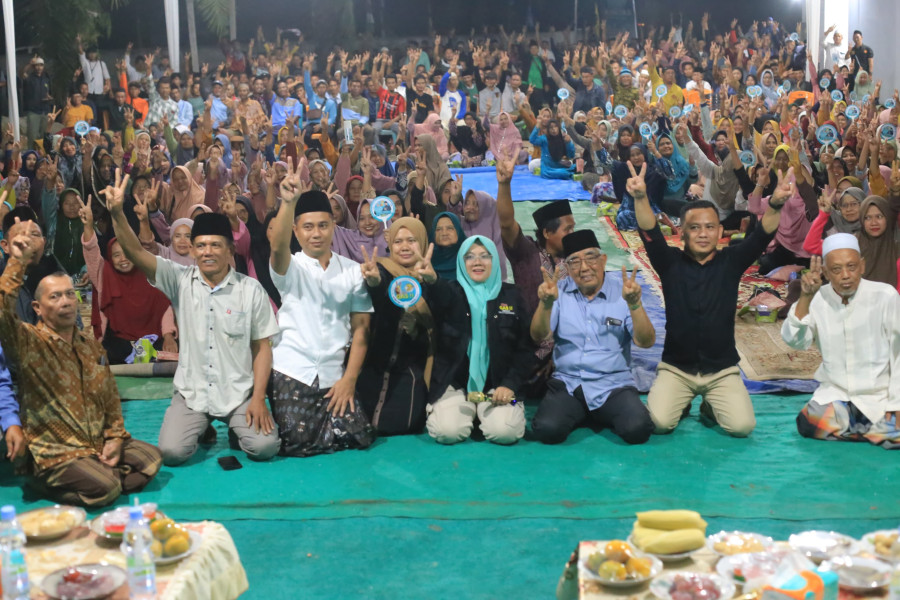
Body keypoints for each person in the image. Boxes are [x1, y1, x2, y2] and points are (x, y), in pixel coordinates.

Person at [104, 169, 281, 466]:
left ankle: (235, 425)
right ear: (194, 250)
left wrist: (258, 399)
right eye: (201, 245)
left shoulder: (250, 290)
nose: (207, 252)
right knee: (172, 453)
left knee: (265, 447)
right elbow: (134, 252)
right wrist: (117, 214)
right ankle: (202, 426)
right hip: (192, 394)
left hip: (237, 393)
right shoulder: (179, 280)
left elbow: (263, 348)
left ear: (230, 250)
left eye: (215, 245)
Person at [0, 217, 161, 507]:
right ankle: (44, 480)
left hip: (94, 442)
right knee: (107, 488)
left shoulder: (90, 347)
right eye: (55, 297)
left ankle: (96, 473)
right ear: (37, 307)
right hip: (56, 450)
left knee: (152, 459)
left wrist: (114, 438)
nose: (65, 301)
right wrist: (17, 262)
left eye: (69, 295)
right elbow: (3, 313)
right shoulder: (29, 342)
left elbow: (110, 397)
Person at [631, 162, 790, 437]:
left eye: (709, 227)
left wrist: (775, 204)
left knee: (742, 427)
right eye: (694, 228)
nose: (703, 234)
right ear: (682, 232)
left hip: (721, 370)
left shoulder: (732, 261)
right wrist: (640, 197)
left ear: (720, 231)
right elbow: (650, 233)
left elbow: (762, 235)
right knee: (658, 424)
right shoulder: (669, 262)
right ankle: (680, 403)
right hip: (677, 368)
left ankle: (709, 406)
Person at [268, 168, 376, 457]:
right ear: (296, 230)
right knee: (295, 441)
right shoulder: (289, 267)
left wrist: (349, 379)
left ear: (333, 226)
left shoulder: (353, 270)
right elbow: (277, 247)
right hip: (292, 370)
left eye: (323, 225)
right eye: (308, 227)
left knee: (360, 435)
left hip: (334, 372)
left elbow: (362, 329)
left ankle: (326, 431)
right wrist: (288, 202)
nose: (316, 234)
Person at [530, 230, 656, 445]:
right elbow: (538, 335)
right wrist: (546, 304)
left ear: (603, 260)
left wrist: (635, 304)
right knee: (547, 430)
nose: (584, 268)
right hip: (569, 383)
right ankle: (586, 412)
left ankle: (594, 412)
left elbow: (646, 342)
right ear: (567, 268)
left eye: (591, 258)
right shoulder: (557, 293)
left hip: (613, 385)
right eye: (575, 262)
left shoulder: (624, 293)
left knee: (638, 429)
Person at [782, 234, 900, 449]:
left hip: (880, 397)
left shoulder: (885, 296)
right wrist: (805, 298)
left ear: (862, 266)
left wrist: (896, 403)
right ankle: (878, 434)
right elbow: (795, 341)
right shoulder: (817, 298)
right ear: (825, 272)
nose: (846, 275)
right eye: (836, 269)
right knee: (808, 422)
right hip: (838, 397)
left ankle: (872, 429)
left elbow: (898, 353)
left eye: (851, 267)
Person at [425, 236, 535, 445]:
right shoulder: (450, 292)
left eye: (485, 256)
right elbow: (437, 296)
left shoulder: (512, 295)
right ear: (461, 262)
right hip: (454, 384)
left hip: (499, 387)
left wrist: (510, 385)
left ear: (495, 261)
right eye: (470, 257)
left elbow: (525, 348)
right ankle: (458, 410)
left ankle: (510, 406)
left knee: (506, 432)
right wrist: (432, 280)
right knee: (447, 432)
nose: (477, 262)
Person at [357, 218, 436, 435]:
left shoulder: (432, 280)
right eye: (398, 241)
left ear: (422, 242)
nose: (404, 247)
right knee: (359, 420)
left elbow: (439, 332)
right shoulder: (382, 269)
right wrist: (374, 283)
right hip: (374, 365)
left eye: (412, 240)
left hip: (410, 370)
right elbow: (380, 288)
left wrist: (416, 331)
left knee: (401, 424)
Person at [496, 157, 575, 317]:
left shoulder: (576, 256)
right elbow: (506, 224)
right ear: (547, 233)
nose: (572, 234)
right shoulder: (527, 253)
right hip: (532, 328)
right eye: (567, 229)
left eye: (573, 228)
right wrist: (504, 185)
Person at [429, 212, 465, 281]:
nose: (444, 233)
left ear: (458, 230)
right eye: (438, 229)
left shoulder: (468, 257)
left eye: (450, 228)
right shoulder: (427, 260)